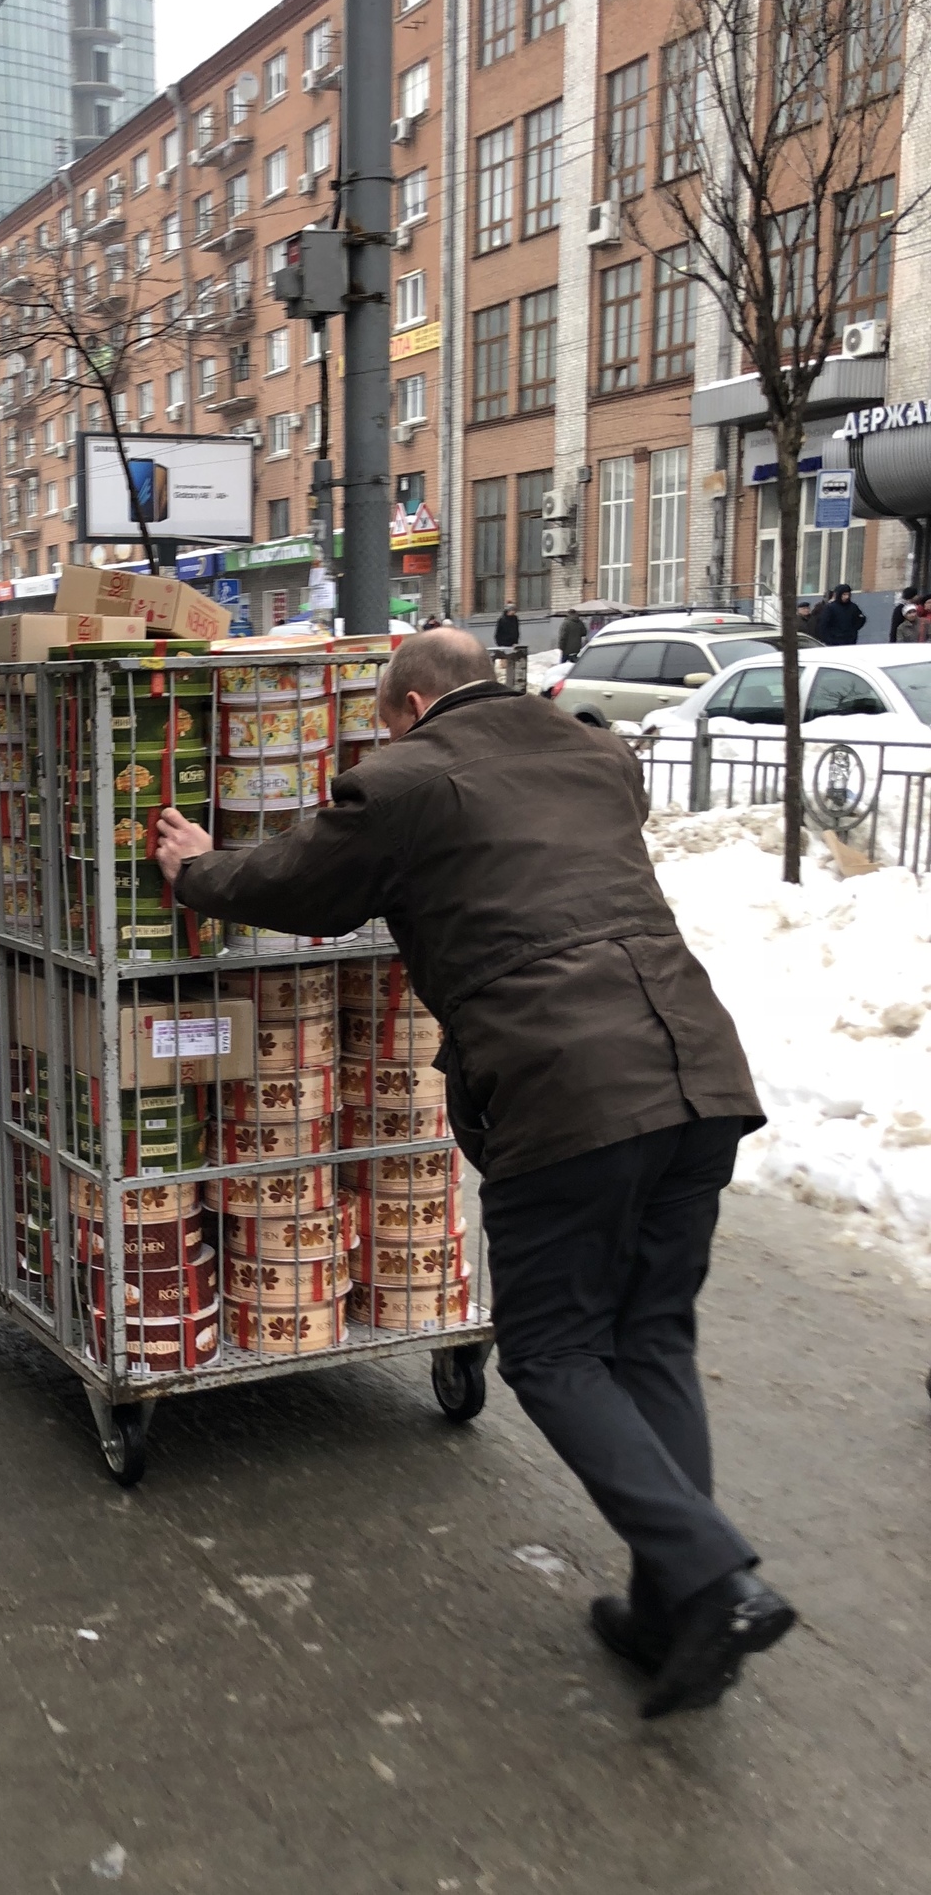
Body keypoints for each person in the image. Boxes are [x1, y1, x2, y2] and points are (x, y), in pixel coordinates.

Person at [154, 629, 793, 1721]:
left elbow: (304, 887)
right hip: (697, 1067)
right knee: (650, 1336)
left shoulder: (403, 777)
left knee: (551, 1352)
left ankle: (715, 1574)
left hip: (566, 1083)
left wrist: (193, 869)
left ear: (404, 707)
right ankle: (668, 1605)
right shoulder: (594, 752)